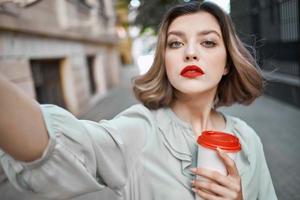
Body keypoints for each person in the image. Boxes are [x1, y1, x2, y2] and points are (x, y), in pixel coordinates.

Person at [0, 1, 277, 200]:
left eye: (208, 42)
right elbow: (58, 147)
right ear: (165, 60)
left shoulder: (247, 138)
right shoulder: (139, 129)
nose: (190, 53)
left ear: (227, 62)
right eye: (176, 43)